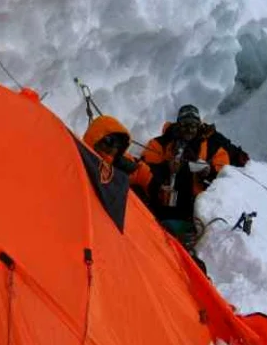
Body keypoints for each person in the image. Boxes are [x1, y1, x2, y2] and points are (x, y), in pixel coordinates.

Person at [142, 104, 230, 244]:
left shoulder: (211, 148)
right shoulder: (160, 143)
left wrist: (208, 172)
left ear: (199, 126)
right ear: (178, 125)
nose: (189, 130)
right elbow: (144, 169)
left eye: (193, 125)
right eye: (185, 125)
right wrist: (166, 168)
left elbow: (225, 175)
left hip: (192, 206)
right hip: (161, 201)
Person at [83, 115, 154, 203]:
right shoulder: (82, 159)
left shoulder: (119, 160)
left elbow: (139, 171)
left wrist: (154, 184)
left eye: (118, 145)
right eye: (110, 141)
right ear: (97, 137)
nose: (114, 149)